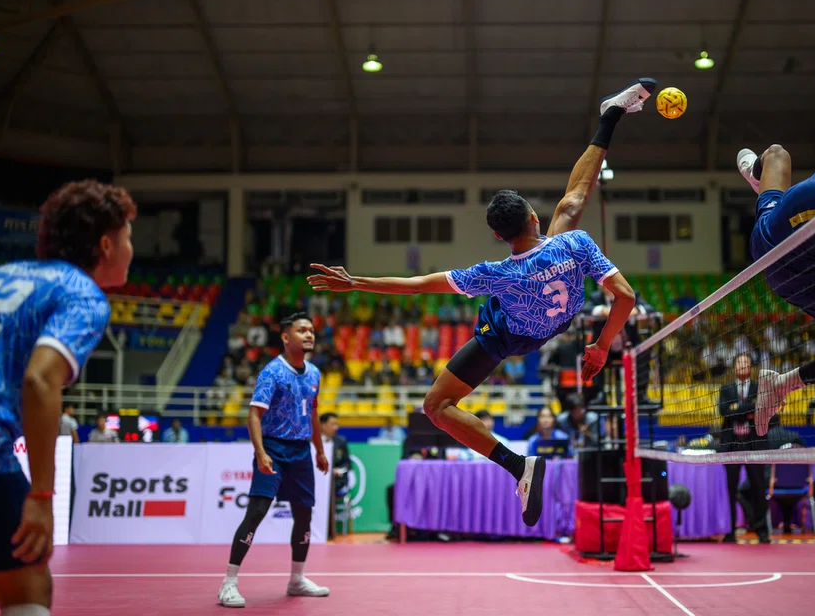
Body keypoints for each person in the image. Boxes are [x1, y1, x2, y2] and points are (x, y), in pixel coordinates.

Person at [308, 78, 654, 527]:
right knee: (571, 204)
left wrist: (357, 282)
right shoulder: (574, 243)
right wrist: (603, 344)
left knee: (435, 408)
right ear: (533, 219)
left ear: (497, 235)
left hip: (507, 337)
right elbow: (625, 297)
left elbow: (417, 286)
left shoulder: (495, 274)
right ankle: (610, 115)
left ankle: (518, 467)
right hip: (559, 321)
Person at [0, 180, 136, 616]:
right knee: (28, 584)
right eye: (129, 237)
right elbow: (39, 380)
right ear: (107, 245)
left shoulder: (1, 275)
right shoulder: (81, 295)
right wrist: (40, 495)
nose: (133, 248)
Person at [735, 145, 815, 433]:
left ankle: (757, 177)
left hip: (769, 229)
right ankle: (783, 384)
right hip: (792, 269)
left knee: (777, 154)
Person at [217, 313, 330, 608]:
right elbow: (254, 413)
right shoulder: (272, 372)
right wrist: (261, 452)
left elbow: (313, 413)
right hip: (274, 449)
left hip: (302, 452)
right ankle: (228, 583)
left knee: (304, 515)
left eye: (311, 331)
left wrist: (318, 450)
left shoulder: (315, 374)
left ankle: (296, 580)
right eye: (301, 330)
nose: (309, 335)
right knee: (256, 512)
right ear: (285, 337)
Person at [717, 354, 769, 543]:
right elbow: (723, 411)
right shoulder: (726, 388)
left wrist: (736, 408)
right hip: (732, 445)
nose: (743, 366)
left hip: (754, 444)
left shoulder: (759, 387)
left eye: (746, 363)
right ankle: (730, 531)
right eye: (739, 362)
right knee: (730, 489)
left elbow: (761, 410)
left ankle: (762, 530)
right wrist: (748, 409)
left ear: (751, 367)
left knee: (758, 487)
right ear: (734, 367)